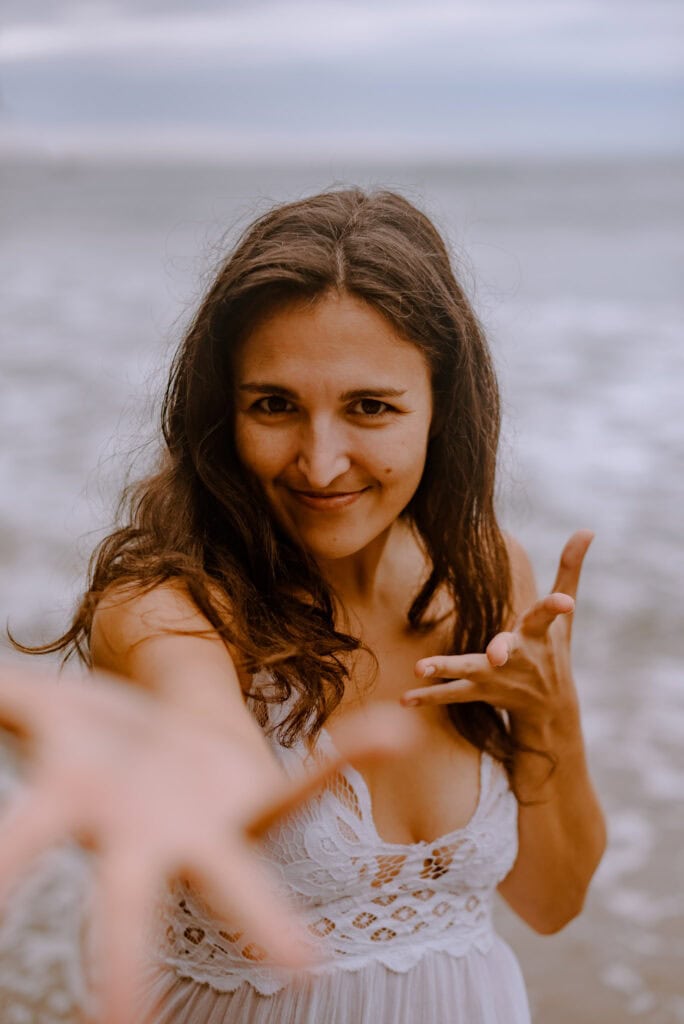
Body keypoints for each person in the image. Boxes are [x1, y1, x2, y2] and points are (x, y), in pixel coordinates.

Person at [0, 187, 606, 1024]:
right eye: (275, 405)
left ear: (441, 410)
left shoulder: (490, 576)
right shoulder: (163, 609)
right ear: (226, 411)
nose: (320, 465)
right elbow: (207, 732)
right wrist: (191, 778)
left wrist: (552, 721)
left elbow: (551, 900)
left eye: (370, 408)